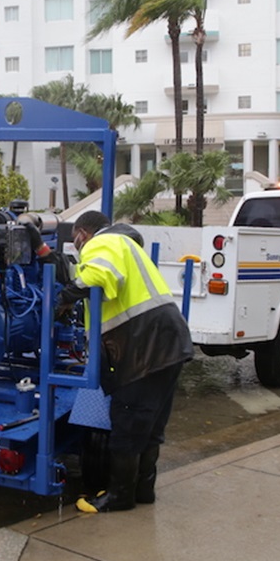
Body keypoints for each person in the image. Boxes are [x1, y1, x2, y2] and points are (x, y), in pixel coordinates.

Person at [58, 211, 194, 513]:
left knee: (127, 423)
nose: (76, 246)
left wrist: (64, 296)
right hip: (168, 342)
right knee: (150, 424)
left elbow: (99, 276)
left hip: (143, 346)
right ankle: (144, 490)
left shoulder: (102, 242)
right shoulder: (126, 245)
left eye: (76, 240)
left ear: (82, 233)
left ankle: (120, 497)